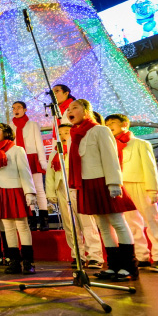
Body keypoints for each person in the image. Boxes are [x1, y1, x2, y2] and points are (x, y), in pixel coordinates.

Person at [66, 100, 138, 281]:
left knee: (117, 222)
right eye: (68, 109)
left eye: (74, 107)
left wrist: (114, 183)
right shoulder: (74, 134)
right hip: (86, 183)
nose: (70, 111)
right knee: (103, 227)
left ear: (86, 111)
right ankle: (113, 266)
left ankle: (129, 266)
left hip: (103, 181)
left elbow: (110, 157)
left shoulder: (100, 130)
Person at [105, 114, 158, 273]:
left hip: (141, 184)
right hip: (122, 186)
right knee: (131, 223)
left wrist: (153, 189)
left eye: (113, 123)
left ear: (125, 124)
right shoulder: (111, 146)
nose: (110, 126)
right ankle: (141, 256)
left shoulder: (140, 143)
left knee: (152, 220)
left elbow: (150, 167)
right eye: (107, 124)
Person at [45, 124, 104, 269]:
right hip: (62, 189)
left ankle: (95, 256)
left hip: (79, 187)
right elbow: (50, 175)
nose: (63, 135)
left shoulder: (79, 148)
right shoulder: (55, 153)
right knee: (70, 225)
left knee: (87, 223)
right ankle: (78, 255)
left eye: (66, 132)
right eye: (59, 133)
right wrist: (51, 193)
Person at [0, 123, 37, 275]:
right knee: (8, 229)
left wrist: (29, 193)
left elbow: (25, 172)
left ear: (6, 132)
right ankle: (14, 262)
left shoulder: (17, 149)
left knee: (23, 227)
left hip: (15, 190)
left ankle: (28, 262)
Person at [10, 101, 49, 231]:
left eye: (19, 107)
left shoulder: (32, 124)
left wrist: (42, 160)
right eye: (14, 108)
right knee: (26, 190)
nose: (16, 110)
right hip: (18, 159)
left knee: (38, 189)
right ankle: (31, 220)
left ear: (25, 109)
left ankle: (44, 220)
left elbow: (39, 143)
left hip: (32, 157)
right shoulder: (10, 126)